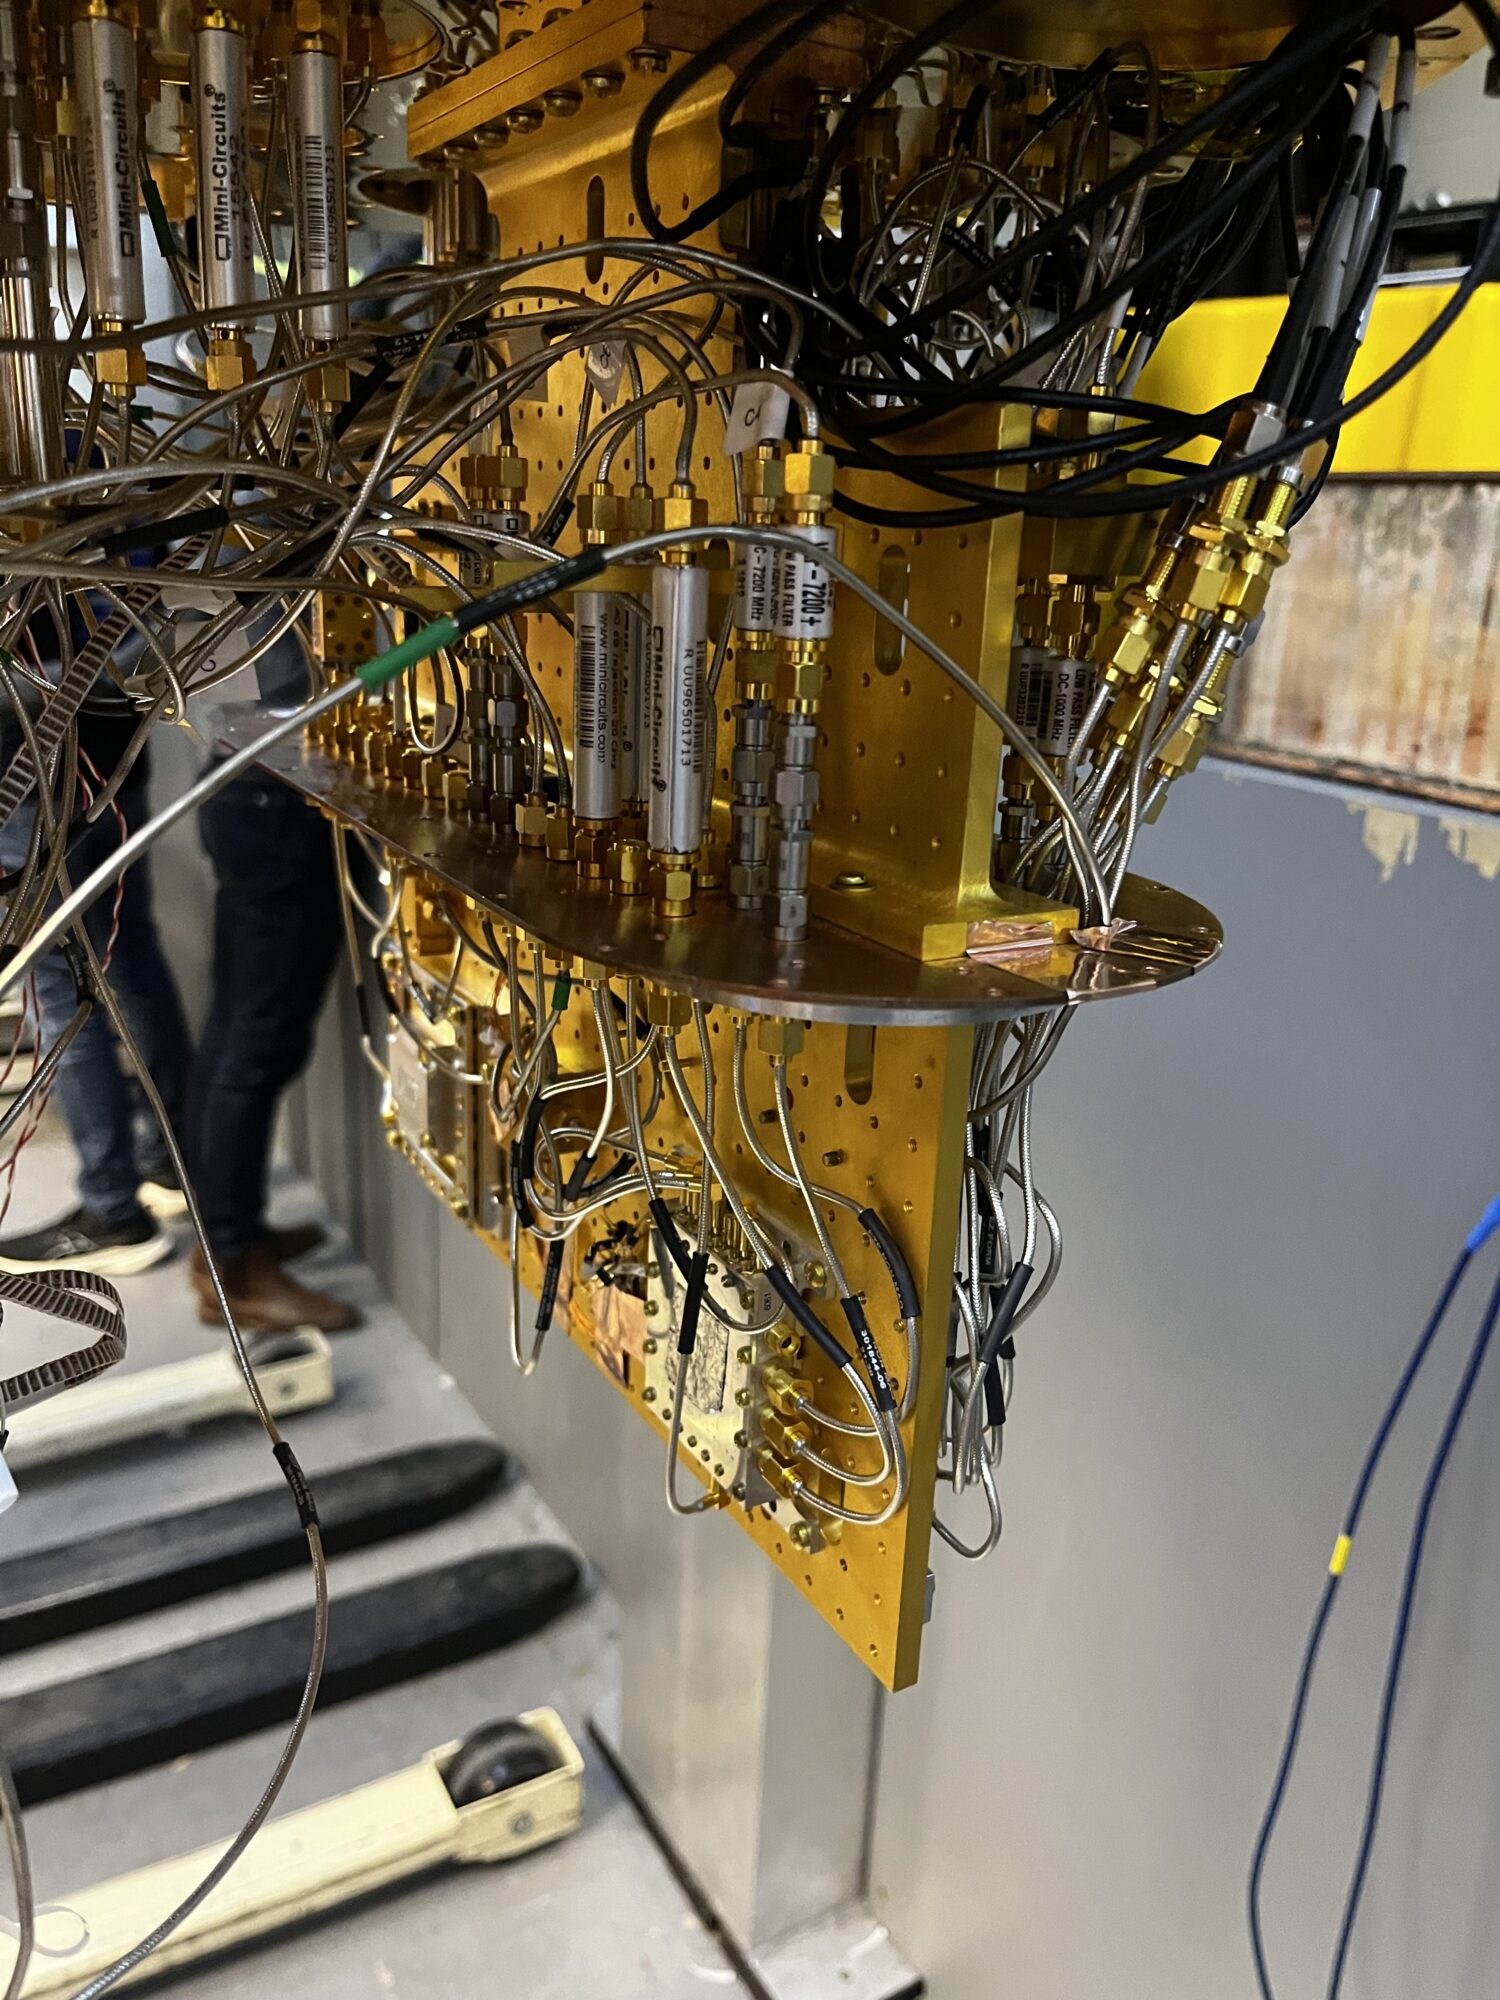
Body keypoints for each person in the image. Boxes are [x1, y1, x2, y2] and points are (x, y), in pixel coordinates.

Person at [183, 620, 359, 1334]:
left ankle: (224, 1238)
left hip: (250, 780)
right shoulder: (265, 556)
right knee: (256, 1044)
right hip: (274, 789)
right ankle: (234, 1269)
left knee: (237, 1029)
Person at [0, 682, 193, 1277]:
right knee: (127, 958)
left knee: (62, 998)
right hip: (111, 766)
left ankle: (113, 1211)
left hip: (23, 785)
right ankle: (177, 1162)